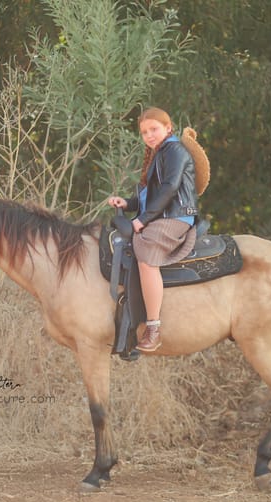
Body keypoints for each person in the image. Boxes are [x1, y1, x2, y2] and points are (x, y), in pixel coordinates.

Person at [107, 107, 198, 352]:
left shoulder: (175, 150)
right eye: (144, 132)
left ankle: (153, 327)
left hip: (177, 216)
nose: (149, 135)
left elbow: (169, 189)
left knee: (145, 250)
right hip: (163, 214)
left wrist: (143, 219)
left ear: (168, 128)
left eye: (154, 129)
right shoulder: (159, 154)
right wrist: (128, 204)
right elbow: (152, 198)